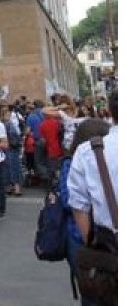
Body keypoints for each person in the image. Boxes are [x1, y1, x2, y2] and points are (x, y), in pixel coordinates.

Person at [59, 118, 111, 306]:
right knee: (92, 289)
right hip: (80, 236)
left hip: (102, 236)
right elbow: (67, 200)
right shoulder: (71, 162)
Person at [68, 90, 118, 243]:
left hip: (111, 243)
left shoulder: (88, 151)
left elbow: (78, 204)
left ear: (109, 110)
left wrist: (90, 244)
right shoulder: (87, 151)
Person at [2, 108, 23, 196]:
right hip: (12, 148)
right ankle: (16, 188)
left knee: (7, 168)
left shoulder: (2, 124)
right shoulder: (10, 124)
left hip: (5, 148)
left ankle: (9, 187)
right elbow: (16, 138)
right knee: (15, 167)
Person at [26, 100, 48, 181]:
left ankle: (46, 178)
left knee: (38, 161)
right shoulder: (46, 115)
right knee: (46, 159)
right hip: (48, 140)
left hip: (38, 140)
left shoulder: (31, 116)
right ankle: (50, 176)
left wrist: (32, 133)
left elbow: (27, 131)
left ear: (34, 106)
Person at [39, 112, 62, 186]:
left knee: (51, 168)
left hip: (49, 148)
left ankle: (50, 185)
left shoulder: (42, 124)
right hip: (59, 147)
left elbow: (43, 140)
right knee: (59, 167)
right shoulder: (56, 123)